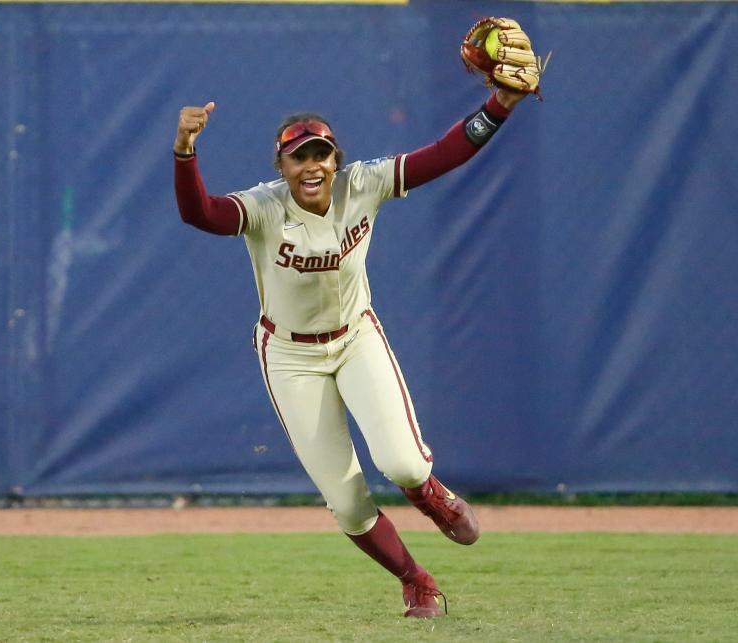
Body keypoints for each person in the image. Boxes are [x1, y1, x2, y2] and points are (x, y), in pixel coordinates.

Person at [173, 85, 529, 617]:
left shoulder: (362, 185)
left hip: (355, 338)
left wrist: (500, 105)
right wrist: (185, 151)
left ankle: (430, 494)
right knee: (345, 501)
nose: (311, 166)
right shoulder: (266, 207)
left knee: (403, 464)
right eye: (299, 158)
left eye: (321, 154)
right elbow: (199, 213)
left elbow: (446, 152)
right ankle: (416, 580)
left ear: (337, 159)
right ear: (282, 165)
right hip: (291, 356)